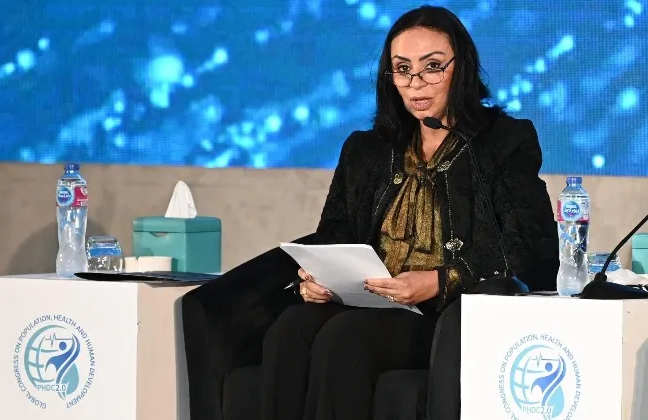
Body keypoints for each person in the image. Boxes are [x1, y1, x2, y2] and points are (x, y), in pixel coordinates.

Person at [182, 5, 559, 420]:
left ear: (462, 67)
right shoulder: (367, 149)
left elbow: (530, 242)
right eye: (403, 69)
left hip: (446, 316)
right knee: (289, 329)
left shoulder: (502, 141)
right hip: (369, 302)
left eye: (433, 67)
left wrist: (439, 280)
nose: (416, 83)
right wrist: (318, 279)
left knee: (344, 337)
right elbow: (335, 234)